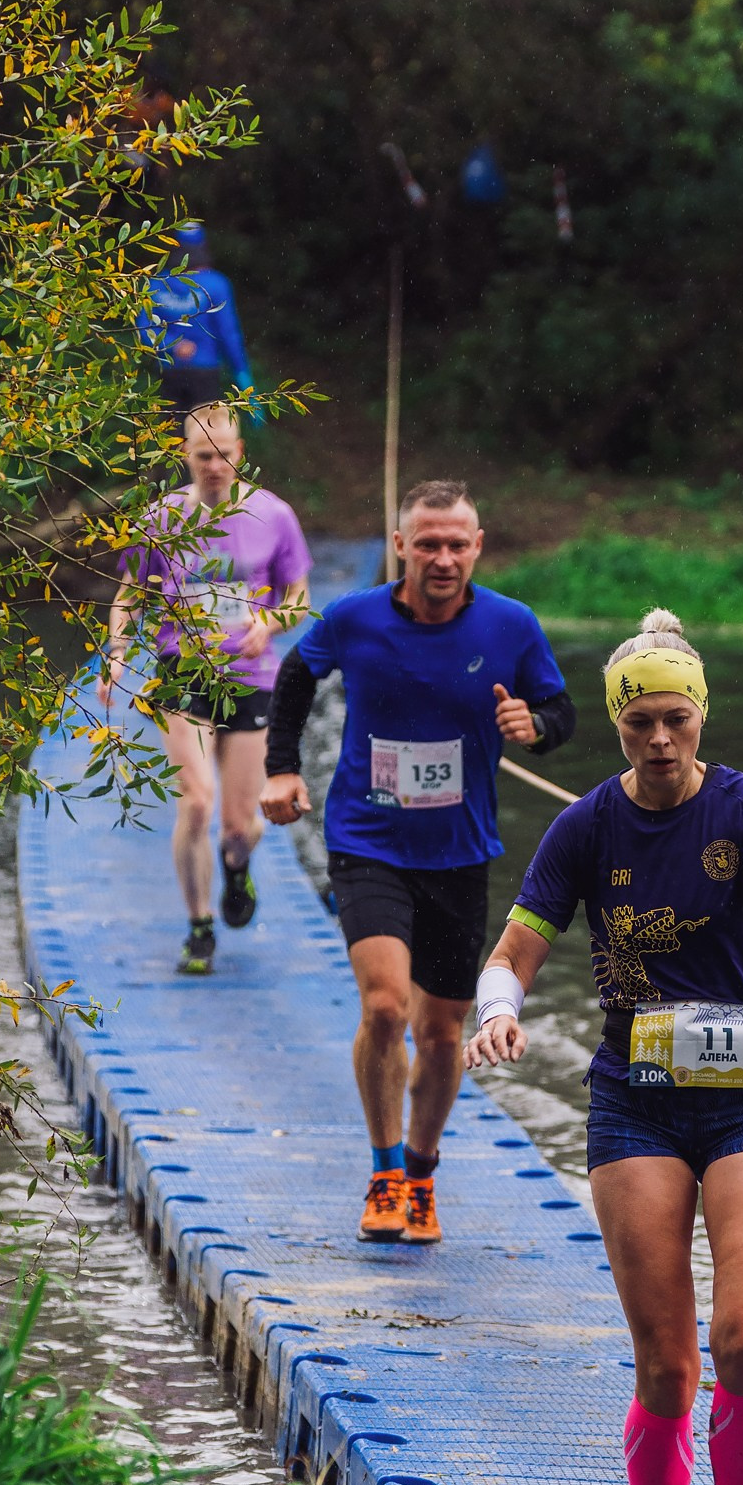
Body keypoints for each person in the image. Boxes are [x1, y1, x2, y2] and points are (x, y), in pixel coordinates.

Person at [464, 608, 743, 1485]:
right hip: (634, 1103)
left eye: (675, 719)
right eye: (639, 723)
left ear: (699, 717)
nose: (659, 740)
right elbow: (517, 944)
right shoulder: (586, 825)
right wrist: (496, 1009)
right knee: (666, 1367)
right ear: (619, 727)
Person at [262, 480, 573, 1247]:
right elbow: (296, 675)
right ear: (399, 545)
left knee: (441, 1033)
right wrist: (282, 767)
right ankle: (384, 1170)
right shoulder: (353, 617)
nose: (442, 558)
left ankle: (424, 1176)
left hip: (460, 853)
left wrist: (532, 725)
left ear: (477, 547)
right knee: (385, 1009)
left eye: (456, 544)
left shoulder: (511, 624)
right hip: (367, 840)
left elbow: (560, 712)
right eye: (426, 543)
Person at [103, 403, 309, 975]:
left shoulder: (274, 515)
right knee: (196, 801)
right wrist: (117, 652)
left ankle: (236, 866)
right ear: (185, 458)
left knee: (241, 824)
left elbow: (297, 596)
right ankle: (199, 925)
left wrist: (266, 624)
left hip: (250, 677)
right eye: (202, 456)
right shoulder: (163, 517)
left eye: (224, 455)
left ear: (239, 455)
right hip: (182, 673)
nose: (214, 466)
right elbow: (128, 595)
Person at [137, 220, 253, 417]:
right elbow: (228, 332)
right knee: (204, 436)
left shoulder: (156, 284)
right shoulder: (216, 283)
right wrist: (241, 371)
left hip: (170, 371)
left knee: (174, 437)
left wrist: (172, 346)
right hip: (205, 371)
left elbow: (143, 328)